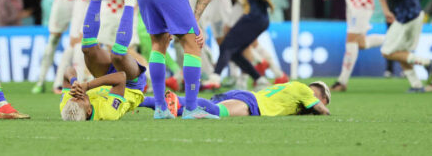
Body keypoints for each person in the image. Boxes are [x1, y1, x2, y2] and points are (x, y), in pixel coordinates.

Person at [136, 0, 241, 119]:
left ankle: (161, 108)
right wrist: (195, 21)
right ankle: (191, 109)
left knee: (158, 43)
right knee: (193, 43)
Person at [59, 0, 147, 121]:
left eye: (73, 98)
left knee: (87, 49)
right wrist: (86, 85)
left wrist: (74, 82)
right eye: (81, 99)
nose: (78, 96)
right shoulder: (107, 113)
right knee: (117, 55)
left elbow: (67, 71)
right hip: (131, 84)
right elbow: (121, 77)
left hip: (105, 76)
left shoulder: (67, 107)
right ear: (88, 111)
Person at [205, 0, 273, 91]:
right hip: (261, 17)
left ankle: (215, 78)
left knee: (226, 46)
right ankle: (260, 79)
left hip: (253, 16)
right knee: (234, 51)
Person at [141, 81, 331, 118]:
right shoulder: (305, 91)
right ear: (320, 95)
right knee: (217, 112)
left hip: (244, 95)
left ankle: (148, 102)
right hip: (252, 103)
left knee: (205, 112)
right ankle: (171, 99)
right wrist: (325, 111)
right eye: (323, 99)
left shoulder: (293, 88)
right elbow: (323, 111)